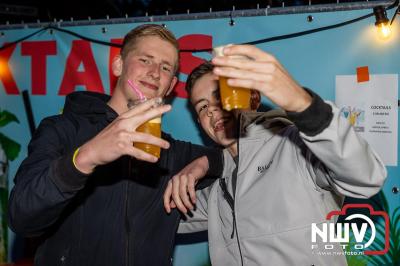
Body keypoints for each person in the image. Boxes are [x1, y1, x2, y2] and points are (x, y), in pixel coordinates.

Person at [8, 24, 223, 266]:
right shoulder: (63, 129)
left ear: (171, 85)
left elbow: (226, 158)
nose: (154, 72)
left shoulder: (167, 149)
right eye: (145, 60)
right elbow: (21, 217)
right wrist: (86, 157)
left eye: (165, 67)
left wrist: (202, 164)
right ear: (118, 65)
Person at [163, 45, 387, 265]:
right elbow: (151, 216)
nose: (212, 110)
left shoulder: (294, 148)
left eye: (220, 97)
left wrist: (304, 106)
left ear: (254, 99)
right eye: (202, 107)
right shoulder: (217, 191)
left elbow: (366, 178)